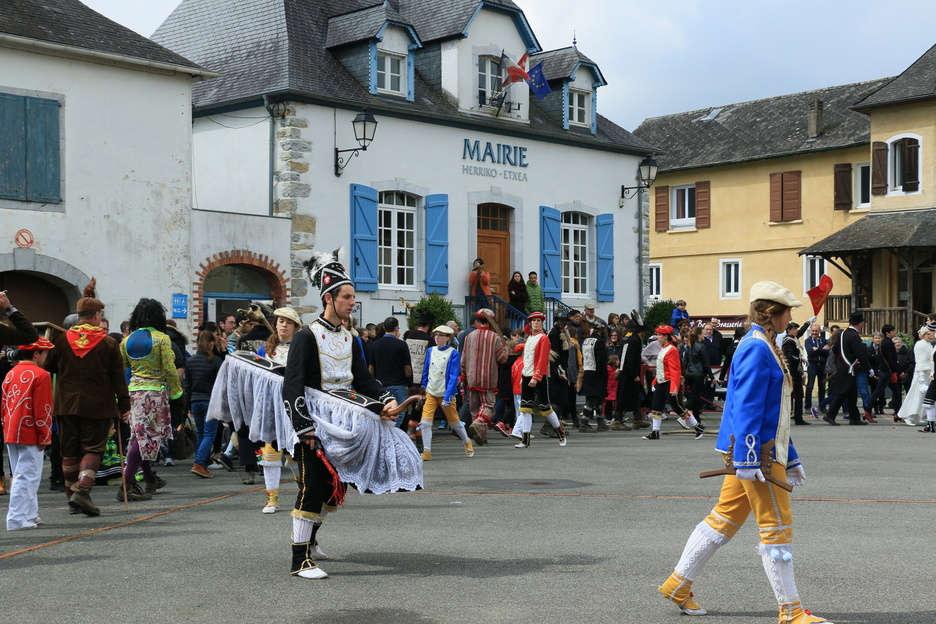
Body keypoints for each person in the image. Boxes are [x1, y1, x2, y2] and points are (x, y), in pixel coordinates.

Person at [658, 281, 833, 624]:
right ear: (776, 314)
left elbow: (771, 411)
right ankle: (791, 612)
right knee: (777, 529)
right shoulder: (758, 347)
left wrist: (791, 456)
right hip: (757, 457)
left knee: (722, 520)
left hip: (757, 453)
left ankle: (677, 584)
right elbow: (749, 407)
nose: (791, 317)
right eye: (788, 312)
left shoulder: (761, 343)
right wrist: (750, 460)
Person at [282, 249, 401, 579]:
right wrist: (303, 427)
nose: (352, 302)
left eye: (352, 296)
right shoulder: (306, 336)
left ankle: (310, 542)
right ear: (329, 298)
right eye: (347, 296)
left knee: (332, 488)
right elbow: (290, 387)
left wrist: (385, 401)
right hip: (313, 425)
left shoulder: (349, 338)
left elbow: (362, 379)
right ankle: (298, 561)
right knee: (314, 485)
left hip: (344, 425)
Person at [44, 280, 131, 516]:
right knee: (93, 448)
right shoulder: (109, 343)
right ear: (97, 315)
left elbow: (48, 368)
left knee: (69, 451)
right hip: (98, 405)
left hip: (65, 405)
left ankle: (71, 495)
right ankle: (82, 491)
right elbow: (118, 379)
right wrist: (124, 405)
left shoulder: (60, 340)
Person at [119, 298, 183, 503]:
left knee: (138, 435)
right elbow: (170, 370)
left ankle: (150, 478)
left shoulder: (126, 341)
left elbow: (122, 368)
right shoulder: (162, 339)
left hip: (133, 392)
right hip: (154, 393)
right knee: (143, 438)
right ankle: (126, 484)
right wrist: (177, 394)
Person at [254, 307, 303, 512]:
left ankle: (304, 486)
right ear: (275, 324)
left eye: (288, 322)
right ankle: (272, 499)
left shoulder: (301, 349)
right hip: (271, 408)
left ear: (295, 327)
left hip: (294, 407)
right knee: (270, 452)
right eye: (281, 321)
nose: (283, 325)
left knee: (295, 453)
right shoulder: (264, 350)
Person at [2, 337, 54, 530]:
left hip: (11, 428)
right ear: (36, 353)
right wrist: (45, 435)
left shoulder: (10, 373)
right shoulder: (41, 375)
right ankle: (16, 518)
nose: (46, 357)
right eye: (45, 353)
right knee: (28, 475)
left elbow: (3, 404)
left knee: (22, 473)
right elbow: (44, 409)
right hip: (30, 430)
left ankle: (30, 515)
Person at [418, 325, 474, 460]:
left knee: (454, 422)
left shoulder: (453, 353)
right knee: (425, 422)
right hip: (431, 391)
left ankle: (467, 441)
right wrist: (424, 385)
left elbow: (454, 376)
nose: (437, 338)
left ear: (448, 338)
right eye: (436, 335)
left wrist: (449, 395)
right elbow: (426, 369)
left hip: (445, 392)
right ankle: (427, 451)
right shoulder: (430, 350)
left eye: (440, 335)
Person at [515, 312, 567, 448]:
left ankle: (560, 432)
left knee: (545, 407)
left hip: (538, 376)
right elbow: (527, 359)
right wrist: (523, 376)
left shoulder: (543, 338)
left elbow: (543, 360)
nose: (536, 323)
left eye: (538, 321)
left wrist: (536, 377)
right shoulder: (529, 338)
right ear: (530, 323)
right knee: (525, 408)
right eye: (534, 321)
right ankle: (525, 440)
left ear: (542, 323)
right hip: (527, 375)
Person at [643, 325, 704, 440]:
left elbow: (675, 371)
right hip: (661, 382)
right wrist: (654, 382)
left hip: (669, 383)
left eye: (660, 335)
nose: (658, 337)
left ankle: (698, 426)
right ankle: (655, 431)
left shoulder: (672, 350)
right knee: (656, 407)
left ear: (666, 337)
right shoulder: (663, 349)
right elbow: (661, 368)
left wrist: (674, 388)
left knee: (678, 408)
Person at [460, 308, 508, 445]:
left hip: (471, 377)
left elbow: (463, 359)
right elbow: (502, 358)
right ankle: (478, 424)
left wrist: (464, 375)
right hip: (488, 378)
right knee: (488, 406)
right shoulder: (495, 337)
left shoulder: (469, 336)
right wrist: (506, 350)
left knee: (475, 407)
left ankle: (482, 436)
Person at [185, 329, 224, 478]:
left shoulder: (190, 361)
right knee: (209, 434)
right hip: (211, 401)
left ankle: (202, 463)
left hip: (195, 400)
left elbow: (187, 385)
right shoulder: (215, 361)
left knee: (200, 433)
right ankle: (199, 462)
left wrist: (188, 405)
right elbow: (222, 383)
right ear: (212, 343)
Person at [823, 312, 872, 426]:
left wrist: (839, 360)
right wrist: (869, 368)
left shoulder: (843, 333)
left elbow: (835, 349)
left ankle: (854, 418)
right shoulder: (854, 336)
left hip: (843, 366)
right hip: (849, 367)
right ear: (860, 323)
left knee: (852, 394)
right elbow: (860, 354)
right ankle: (830, 415)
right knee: (842, 392)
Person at [612, 312, 649, 431]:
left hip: (626, 371)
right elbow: (631, 358)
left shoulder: (628, 338)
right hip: (629, 373)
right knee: (624, 396)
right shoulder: (635, 340)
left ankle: (637, 419)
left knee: (636, 395)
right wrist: (634, 375)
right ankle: (617, 420)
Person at [368, 316, 412, 413]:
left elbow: (371, 369)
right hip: (398, 384)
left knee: (383, 413)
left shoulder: (374, 345)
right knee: (398, 413)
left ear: (384, 328)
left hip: (380, 385)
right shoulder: (402, 345)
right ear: (396, 328)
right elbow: (407, 369)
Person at [898, 324, 935, 427]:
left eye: (930, 333)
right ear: (922, 335)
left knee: (923, 396)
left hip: (927, 373)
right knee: (916, 395)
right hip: (921, 374)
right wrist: (922, 377)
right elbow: (920, 361)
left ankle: (918, 416)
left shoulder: (928, 344)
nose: (930, 335)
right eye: (927, 334)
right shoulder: (921, 344)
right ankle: (908, 415)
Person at [867, 324, 904, 422]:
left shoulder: (884, 342)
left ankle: (898, 413)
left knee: (896, 392)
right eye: (893, 331)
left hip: (886, 372)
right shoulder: (887, 343)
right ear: (887, 332)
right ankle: (867, 411)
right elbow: (890, 360)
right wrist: (899, 372)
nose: (894, 332)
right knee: (877, 393)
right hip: (886, 372)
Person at [684, 326, 715, 424]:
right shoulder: (701, 346)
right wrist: (712, 377)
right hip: (698, 374)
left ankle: (697, 421)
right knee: (695, 397)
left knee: (694, 398)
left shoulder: (689, 345)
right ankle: (683, 414)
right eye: (702, 333)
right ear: (698, 335)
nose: (704, 335)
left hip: (689, 373)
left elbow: (686, 361)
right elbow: (706, 363)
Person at [580, 323, 608, 430]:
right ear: (601, 330)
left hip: (587, 371)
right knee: (592, 399)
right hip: (597, 373)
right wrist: (604, 374)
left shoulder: (586, 341)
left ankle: (600, 422)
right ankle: (584, 422)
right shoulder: (600, 341)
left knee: (597, 398)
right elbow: (601, 360)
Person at [782, 323, 810, 426]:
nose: (796, 330)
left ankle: (798, 416)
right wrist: (800, 359)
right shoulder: (789, 341)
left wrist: (807, 323)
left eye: (796, 329)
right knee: (796, 394)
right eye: (794, 329)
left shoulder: (792, 338)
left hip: (796, 370)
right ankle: (798, 418)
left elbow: (801, 332)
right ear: (788, 330)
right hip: (792, 371)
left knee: (797, 395)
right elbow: (790, 356)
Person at [803, 324, 829, 411]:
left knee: (822, 387)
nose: (814, 333)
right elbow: (810, 352)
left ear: (819, 331)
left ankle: (822, 406)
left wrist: (817, 350)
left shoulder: (824, 340)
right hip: (812, 365)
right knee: (810, 386)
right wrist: (821, 350)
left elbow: (827, 353)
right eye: (813, 331)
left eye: (816, 331)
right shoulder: (808, 341)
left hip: (822, 365)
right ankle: (808, 407)